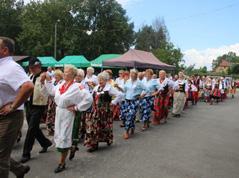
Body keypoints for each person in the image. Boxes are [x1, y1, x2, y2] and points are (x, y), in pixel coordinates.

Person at [42, 64, 93, 173]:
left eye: (67, 72)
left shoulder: (78, 86)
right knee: (60, 134)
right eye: (64, 71)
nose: (64, 74)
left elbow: (89, 98)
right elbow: (51, 92)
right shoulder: (61, 84)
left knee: (64, 136)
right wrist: (47, 81)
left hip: (68, 114)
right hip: (59, 112)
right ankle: (72, 146)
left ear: (73, 75)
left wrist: (77, 107)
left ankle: (62, 163)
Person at [0, 37, 34, 178]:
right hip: (3, 115)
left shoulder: (11, 67)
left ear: (5, 50)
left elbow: (28, 86)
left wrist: (13, 106)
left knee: (0, 157)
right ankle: (19, 169)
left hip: (9, 117)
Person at [21, 57, 52, 163]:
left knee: (31, 129)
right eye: (31, 67)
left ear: (39, 66)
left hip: (38, 106)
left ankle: (26, 153)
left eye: (34, 67)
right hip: (28, 104)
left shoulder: (44, 76)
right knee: (34, 128)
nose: (32, 69)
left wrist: (46, 80)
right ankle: (45, 143)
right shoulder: (29, 76)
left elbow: (49, 91)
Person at [84, 71, 123, 151]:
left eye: (102, 79)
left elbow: (120, 95)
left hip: (105, 112)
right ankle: (93, 144)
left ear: (106, 80)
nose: (100, 81)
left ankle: (107, 139)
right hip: (95, 111)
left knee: (104, 127)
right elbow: (91, 97)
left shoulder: (109, 88)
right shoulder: (96, 87)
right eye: (99, 79)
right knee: (93, 126)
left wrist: (113, 102)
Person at [122, 69, 146, 139]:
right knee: (126, 116)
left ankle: (126, 132)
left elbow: (146, 89)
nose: (132, 75)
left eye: (134, 74)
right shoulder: (128, 81)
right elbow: (124, 90)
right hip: (127, 101)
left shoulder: (139, 82)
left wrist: (141, 96)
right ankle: (132, 127)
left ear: (136, 75)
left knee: (130, 115)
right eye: (131, 74)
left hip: (134, 101)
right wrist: (118, 87)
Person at [45, 69, 63, 135]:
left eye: (57, 76)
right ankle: (50, 130)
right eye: (55, 75)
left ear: (60, 76)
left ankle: (55, 130)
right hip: (51, 101)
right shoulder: (53, 81)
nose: (55, 77)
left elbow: (54, 92)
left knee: (55, 116)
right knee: (49, 115)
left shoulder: (61, 82)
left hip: (56, 101)